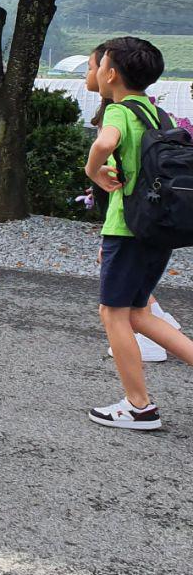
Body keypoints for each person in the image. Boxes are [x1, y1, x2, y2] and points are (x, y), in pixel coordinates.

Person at [84, 37, 193, 430]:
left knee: (113, 313)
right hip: (156, 230)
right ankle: (138, 402)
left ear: (110, 73)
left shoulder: (119, 112)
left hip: (128, 230)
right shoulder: (156, 113)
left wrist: (91, 170)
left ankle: (138, 405)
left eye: (95, 65)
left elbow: (106, 142)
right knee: (140, 313)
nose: (91, 72)